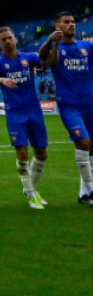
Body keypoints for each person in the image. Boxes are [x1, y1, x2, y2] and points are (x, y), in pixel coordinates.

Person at [0, 27, 48, 209]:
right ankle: (30, 194)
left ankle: (30, 188)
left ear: (15, 39)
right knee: (22, 153)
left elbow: (45, 58)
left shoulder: (28, 58)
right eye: (3, 39)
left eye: (9, 37)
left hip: (34, 112)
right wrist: (2, 80)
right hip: (15, 114)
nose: (7, 41)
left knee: (42, 155)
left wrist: (51, 41)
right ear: (0, 43)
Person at [37, 12, 93, 204]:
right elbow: (44, 59)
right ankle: (92, 190)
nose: (71, 25)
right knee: (83, 143)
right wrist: (50, 42)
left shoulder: (87, 47)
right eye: (66, 22)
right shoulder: (55, 49)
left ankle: (83, 193)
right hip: (69, 106)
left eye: (72, 21)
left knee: (91, 149)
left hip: (90, 104)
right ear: (57, 26)